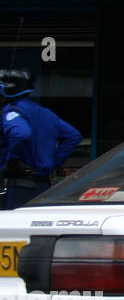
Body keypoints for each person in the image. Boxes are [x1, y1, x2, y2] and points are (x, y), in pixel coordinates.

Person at [1, 69, 81, 209]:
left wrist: (13, 160)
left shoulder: (12, 111)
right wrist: (51, 163)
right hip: (42, 186)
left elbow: (21, 134)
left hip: (17, 187)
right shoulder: (45, 112)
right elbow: (73, 136)